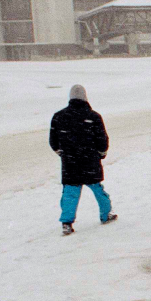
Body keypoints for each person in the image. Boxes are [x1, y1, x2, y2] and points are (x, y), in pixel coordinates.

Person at [49, 84, 117, 235]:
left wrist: (63, 153)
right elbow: (102, 139)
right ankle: (106, 215)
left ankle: (66, 223)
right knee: (98, 189)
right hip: (90, 161)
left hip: (70, 163)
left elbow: (53, 141)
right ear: (85, 98)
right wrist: (101, 153)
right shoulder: (93, 116)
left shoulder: (59, 116)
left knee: (70, 193)